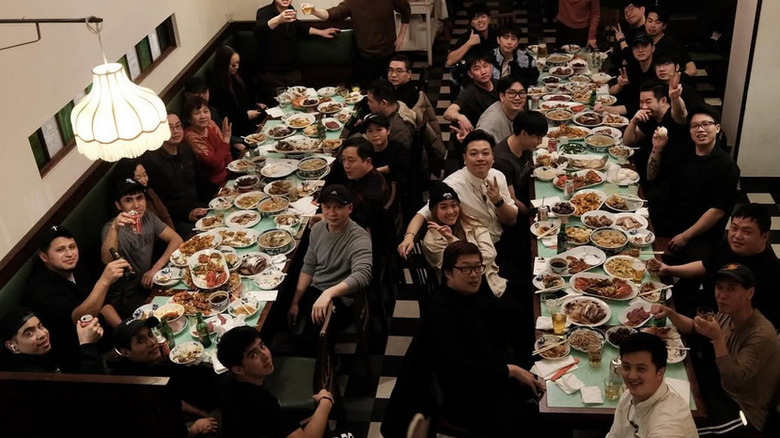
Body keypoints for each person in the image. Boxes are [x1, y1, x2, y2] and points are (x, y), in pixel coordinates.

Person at [427, 241, 544, 436]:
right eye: (465, 269)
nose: (474, 274)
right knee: (537, 419)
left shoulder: (469, 294)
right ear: (448, 272)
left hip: (487, 367)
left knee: (542, 367)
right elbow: (460, 370)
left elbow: (501, 315)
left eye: (477, 267)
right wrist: (512, 370)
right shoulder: (441, 312)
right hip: (465, 398)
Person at [651, 264, 780, 433]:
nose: (722, 295)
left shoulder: (761, 335)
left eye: (731, 289)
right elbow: (695, 327)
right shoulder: (729, 311)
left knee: (673, 430)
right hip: (715, 385)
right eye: (719, 287)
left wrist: (718, 338)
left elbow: (734, 382)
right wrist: (670, 313)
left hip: (742, 411)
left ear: (750, 293)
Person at [648, 204, 780, 327]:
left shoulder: (771, 274)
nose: (737, 236)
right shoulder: (729, 247)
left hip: (722, 330)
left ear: (765, 236)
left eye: (747, 232)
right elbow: (705, 266)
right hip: (703, 307)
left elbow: (762, 327)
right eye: (734, 228)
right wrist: (668, 269)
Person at [23, 225, 128, 371]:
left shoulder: (78, 267)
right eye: (60, 250)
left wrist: (124, 330)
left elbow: (103, 304)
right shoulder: (41, 290)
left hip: (108, 339)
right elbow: (79, 317)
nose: (69, 254)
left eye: (72, 247)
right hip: (82, 358)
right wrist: (104, 281)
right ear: (44, 256)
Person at [398, 130, 517, 257]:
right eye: (474, 154)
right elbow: (423, 213)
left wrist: (498, 201)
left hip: (502, 238)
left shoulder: (497, 176)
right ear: (465, 159)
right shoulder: (452, 185)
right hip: (475, 249)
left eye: (485, 153)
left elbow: (511, 220)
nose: (480, 158)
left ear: (493, 157)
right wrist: (409, 237)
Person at [287, 185, 373, 353]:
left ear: (350, 208)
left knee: (312, 341)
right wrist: (295, 301)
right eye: (327, 207)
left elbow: (363, 275)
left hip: (341, 299)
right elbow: (309, 265)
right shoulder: (318, 229)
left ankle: (328, 367)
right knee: (280, 312)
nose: (332, 213)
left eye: (338, 207)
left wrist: (329, 293)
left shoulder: (359, 237)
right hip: (316, 290)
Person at [216, 326, 334, 438]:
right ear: (238, 369)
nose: (265, 355)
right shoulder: (262, 406)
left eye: (262, 346)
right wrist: (325, 403)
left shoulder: (229, 380)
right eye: (253, 355)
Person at [656, 106, 740, 262]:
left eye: (706, 124)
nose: (700, 129)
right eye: (695, 126)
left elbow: (716, 211)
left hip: (701, 233)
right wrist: (657, 149)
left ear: (717, 128)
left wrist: (685, 236)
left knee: (695, 266)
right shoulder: (684, 153)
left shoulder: (727, 166)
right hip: (675, 220)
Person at [111, 317, 219, 437]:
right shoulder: (143, 386)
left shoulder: (148, 365)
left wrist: (201, 413)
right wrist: (194, 429)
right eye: (141, 340)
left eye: (150, 334)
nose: (152, 342)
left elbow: (172, 399)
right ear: (125, 352)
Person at [100, 178, 184, 317]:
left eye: (140, 198)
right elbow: (107, 260)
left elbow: (176, 239)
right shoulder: (110, 228)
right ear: (118, 205)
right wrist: (115, 228)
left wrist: (154, 269)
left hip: (150, 282)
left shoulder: (147, 217)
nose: (136, 205)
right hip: (127, 296)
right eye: (129, 200)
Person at [422, 182, 507, 298]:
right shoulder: (431, 241)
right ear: (434, 210)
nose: (451, 211)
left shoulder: (471, 222)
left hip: (489, 279)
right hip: (459, 291)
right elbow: (453, 271)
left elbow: (490, 254)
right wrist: (452, 240)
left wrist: (469, 263)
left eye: (454, 205)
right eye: (443, 207)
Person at [606, 332, 698, 438]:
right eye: (626, 367)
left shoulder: (670, 422)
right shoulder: (627, 395)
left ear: (660, 372)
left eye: (641, 369)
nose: (631, 376)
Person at [305, 0, 411, 87]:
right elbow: (330, 14)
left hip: (388, 54)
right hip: (365, 57)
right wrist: (314, 11)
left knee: (390, 92)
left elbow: (406, 10)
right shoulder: (352, 2)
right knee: (368, 93)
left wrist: (401, 36)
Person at [253, 0, 339, 102]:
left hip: (292, 71)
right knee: (277, 107)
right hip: (271, 74)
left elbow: (299, 26)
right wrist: (278, 20)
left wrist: (321, 32)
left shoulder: (290, 9)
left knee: (300, 105)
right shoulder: (263, 12)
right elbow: (259, 31)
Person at [142, 114, 209, 237]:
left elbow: (199, 181)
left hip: (199, 207)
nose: (176, 131)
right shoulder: (152, 161)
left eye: (178, 126)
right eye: (169, 128)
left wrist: (208, 203)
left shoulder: (185, 149)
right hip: (176, 220)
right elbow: (160, 201)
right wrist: (187, 213)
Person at [620, 80, 687, 193]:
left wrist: (675, 98)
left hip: (666, 179)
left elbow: (680, 112)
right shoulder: (650, 115)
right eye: (641, 102)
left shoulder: (673, 116)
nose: (644, 106)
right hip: (640, 170)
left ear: (663, 101)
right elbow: (628, 141)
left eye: (648, 101)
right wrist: (633, 121)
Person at [1, 308, 104, 374]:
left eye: (40, 326)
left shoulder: (44, 354)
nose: (42, 334)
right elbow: (89, 391)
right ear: (13, 346)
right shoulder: (29, 376)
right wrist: (87, 345)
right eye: (29, 333)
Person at [325, 137, 390, 232]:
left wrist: (327, 220)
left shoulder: (371, 195)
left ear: (368, 161)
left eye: (351, 160)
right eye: (343, 159)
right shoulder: (362, 175)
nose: (346, 165)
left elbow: (356, 226)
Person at [492, 110, 548, 216]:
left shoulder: (525, 145)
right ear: (523, 134)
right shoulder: (502, 162)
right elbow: (512, 200)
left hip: (529, 191)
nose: (540, 142)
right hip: (519, 212)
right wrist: (531, 214)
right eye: (538, 137)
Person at [208, 45, 264, 137]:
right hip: (236, 127)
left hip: (247, 117)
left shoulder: (236, 75)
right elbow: (224, 114)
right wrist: (245, 116)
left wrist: (256, 104)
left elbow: (246, 95)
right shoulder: (216, 85)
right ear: (223, 65)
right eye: (233, 65)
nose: (237, 67)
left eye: (238, 63)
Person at [182, 96, 234, 196]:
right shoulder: (191, 137)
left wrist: (232, 170)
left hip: (226, 175)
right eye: (197, 113)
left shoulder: (211, 124)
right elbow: (213, 162)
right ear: (189, 119)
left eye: (206, 111)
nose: (203, 116)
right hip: (212, 185)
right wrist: (226, 139)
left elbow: (225, 151)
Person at [444, 53, 498, 144]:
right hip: (480, 137)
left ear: (491, 67)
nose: (483, 72)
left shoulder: (499, 84)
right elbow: (448, 112)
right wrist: (460, 117)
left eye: (485, 66)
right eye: (477, 69)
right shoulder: (469, 92)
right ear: (470, 74)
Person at [445, 3, 497, 92]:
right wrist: (469, 43)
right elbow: (450, 61)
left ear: (489, 19)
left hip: (494, 76)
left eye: (483, 16)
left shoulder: (496, 35)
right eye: (475, 18)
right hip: (472, 79)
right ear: (471, 23)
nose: (480, 20)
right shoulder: (467, 37)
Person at [113, 158, 174, 229]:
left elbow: (165, 216)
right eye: (138, 178)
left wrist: (171, 233)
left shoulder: (149, 191)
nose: (144, 180)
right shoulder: (121, 214)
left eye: (145, 175)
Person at [362, 113, 410, 201]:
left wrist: (375, 171)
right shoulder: (365, 152)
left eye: (379, 129)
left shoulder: (399, 148)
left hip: (394, 192)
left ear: (388, 131)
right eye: (370, 131)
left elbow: (403, 165)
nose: (375, 135)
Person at [609, 32, 658, 117]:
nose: (640, 50)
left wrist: (607, 109)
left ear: (653, 48)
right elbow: (611, 91)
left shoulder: (657, 72)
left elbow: (637, 107)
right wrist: (620, 85)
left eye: (644, 46)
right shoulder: (631, 66)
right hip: (620, 112)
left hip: (642, 116)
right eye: (636, 47)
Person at [644, 4, 697, 77]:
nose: (652, 25)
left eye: (657, 22)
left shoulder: (673, 44)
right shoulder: (640, 42)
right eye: (650, 21)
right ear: (645, 22)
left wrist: (673, 79)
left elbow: (692, 69)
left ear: (664, 25)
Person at [475, 76, 527, 143]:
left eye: (521, 93)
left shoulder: (518, 110)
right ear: (502, 96)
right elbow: (478, 143)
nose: (517, 98)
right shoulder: (491, 122)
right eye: (512, 93)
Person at [366, 79, 415, 151]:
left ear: (383, 103)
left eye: (371, 101)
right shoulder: (397, 104)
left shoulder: (399, 129)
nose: (368, 103)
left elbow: (400, 155)